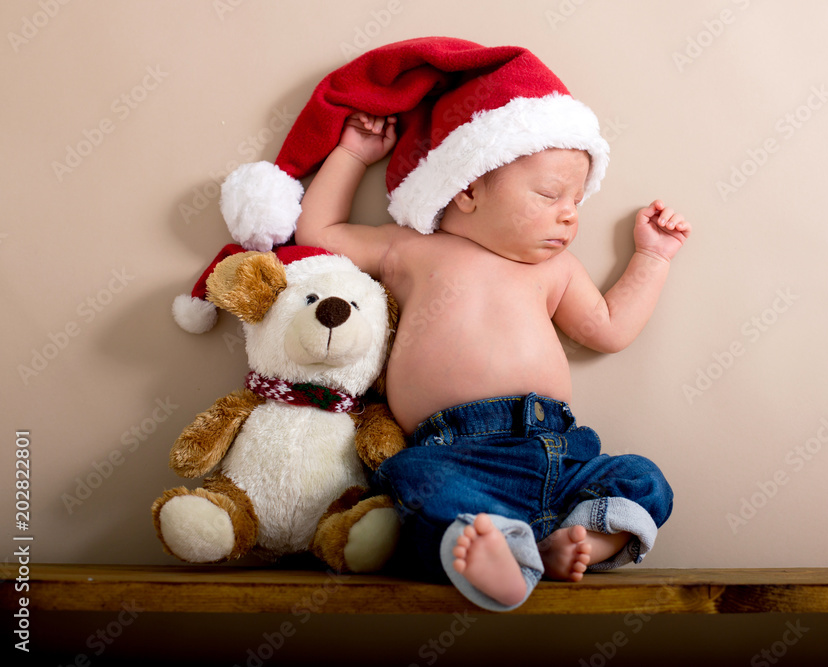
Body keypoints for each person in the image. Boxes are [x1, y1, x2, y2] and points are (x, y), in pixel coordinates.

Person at [215, 37, 689, 610]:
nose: (570, 213)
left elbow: (610, 328)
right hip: (453, 453)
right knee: (413, 481)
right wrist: (354, 156)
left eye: (578, 201)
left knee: (641, 477)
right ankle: (501, 555)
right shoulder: (416, 251)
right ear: (467, 189)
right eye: (549, 194)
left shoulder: (556, 271)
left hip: (557, 449)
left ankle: (583, 539)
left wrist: (653, 257)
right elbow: (322, 233)